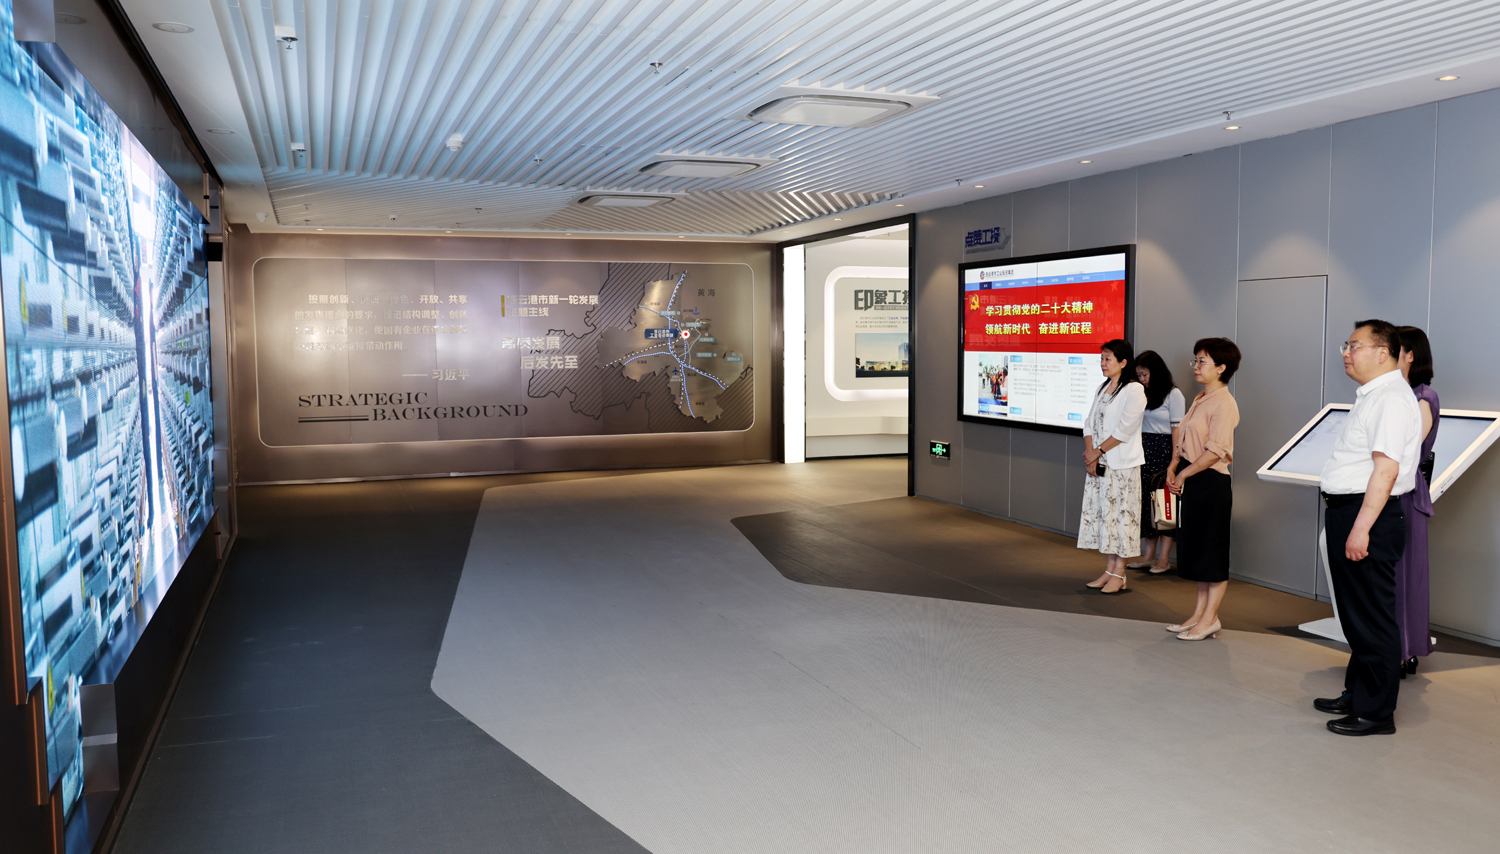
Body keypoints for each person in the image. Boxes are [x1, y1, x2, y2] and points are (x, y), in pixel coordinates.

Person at [1314, 319, 1422, 736]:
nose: (1346, 352)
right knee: (1357, 614)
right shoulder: (1375, 395)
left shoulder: (1390, 399)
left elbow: (1386, 471)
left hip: (1369, 516)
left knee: (1373, 618)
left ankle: (1376, 712)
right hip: (1354, 512)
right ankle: (1357, 693)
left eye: (1354, 345)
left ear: (1382, 352)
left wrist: (1360, 529)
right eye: (1346, 345)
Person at [1165, 337, 1241, 641]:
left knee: (1213, 552)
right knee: (1198, 550)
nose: (1196, 366)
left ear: (1221, 368)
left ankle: (1210, 619)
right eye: (1195, 360)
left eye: (1202, 361)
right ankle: (1198, 614)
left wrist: (1183, 473)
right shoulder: (1201, 397)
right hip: (1193, 478)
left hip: (1210, 483)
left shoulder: (1225, 403)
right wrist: (1174, 466)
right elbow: (1184, 438)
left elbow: (1215, 451)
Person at [1079, 339, 1147, 594]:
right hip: (1100, 464)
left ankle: (1120, 573)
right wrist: (1091, 454)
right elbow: (1089, 423)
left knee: (1122, 519)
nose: (1103, 363)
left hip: (1122, 466)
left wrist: (1097, 452)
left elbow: (1124, 430)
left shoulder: (1134, 390)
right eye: (1102, 358)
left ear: (1123, 362)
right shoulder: (1102, 388)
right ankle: (1109, 571)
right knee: (1106, 518)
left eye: (1108, 359)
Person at [1394, 326, 1439, 677]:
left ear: (1411, 355)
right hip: (1394, 491)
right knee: (1394, 574)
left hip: (1405, 494)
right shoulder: (1397, 394)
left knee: (1404, 574)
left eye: (1394, 350)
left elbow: (1409, 448)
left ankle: (1403, 649)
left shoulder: (1424, 396)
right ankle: (1398, 649)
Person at [1127, 350, 1185, 574]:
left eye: (1145, 374)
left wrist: (1174, 462)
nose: (1142, 379)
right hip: (1143, 451)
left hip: (1164, 451)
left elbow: (1177, 431)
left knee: (1164, 505)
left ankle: (1164, 559)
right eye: (1139, 375)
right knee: (1146, 505)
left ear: (1156, 372)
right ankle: (1148, 556)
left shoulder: (1173, 394)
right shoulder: (1142, 394)